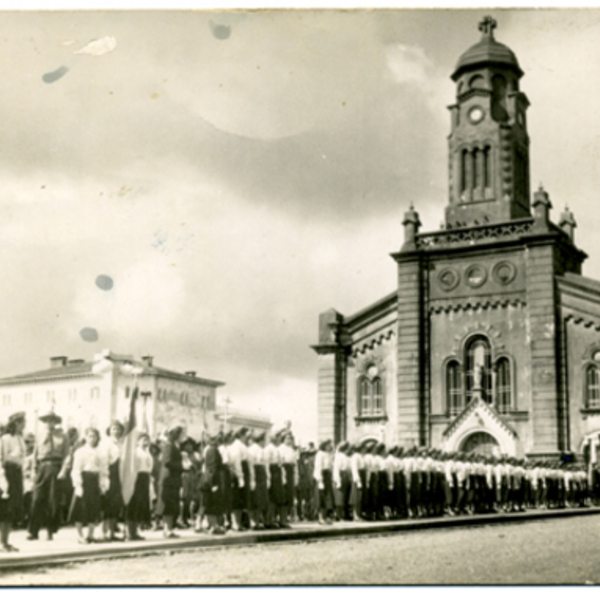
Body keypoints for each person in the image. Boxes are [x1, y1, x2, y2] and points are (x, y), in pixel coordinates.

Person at [28, 410, 69, 541]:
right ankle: (33, 531)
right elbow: (35, 454)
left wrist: (64, 470)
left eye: (51, 420)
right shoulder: (39, 436)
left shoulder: (63, 436)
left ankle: (50, 531)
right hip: (42, 467)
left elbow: (67, 455)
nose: (49, 423)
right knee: (36, 499)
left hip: (55, 468)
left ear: (56, 422)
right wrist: (33, 470)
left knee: (53, 501)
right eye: (46, 420)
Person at [71, 428, 109, 544]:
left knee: (94, 508)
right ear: (86, 437)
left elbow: (104, 470)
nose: (92, 439)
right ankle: (79, 535)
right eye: (90, 436)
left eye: (94, 436)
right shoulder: (80, 451)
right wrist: (78, 484)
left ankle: (90, 534)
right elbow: (76, 469)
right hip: (84, 479)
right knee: (80, 508)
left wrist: (103, 485)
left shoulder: (101, 452)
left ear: (98, 438)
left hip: (94, 480)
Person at [0, 412, 26, 551]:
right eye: (22, 423)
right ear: (16, 423)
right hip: (7, 475)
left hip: (17, 474)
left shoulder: (20, 439)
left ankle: (5, 541)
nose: (24, 425)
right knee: (4, 509)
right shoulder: (5, 438)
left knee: (11, 510)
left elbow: (23, 456)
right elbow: (3, 458)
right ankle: (2, 543)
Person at [156, 425, 184, 538]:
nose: (181, 436)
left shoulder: (173, 445)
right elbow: (167, 462)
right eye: (179, 434)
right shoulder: (169, 445)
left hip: (172, 478)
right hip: (168, 478)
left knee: (172, 504)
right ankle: (167, 529)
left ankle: (168, 528)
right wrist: (182, 467)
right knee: (168, 504)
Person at [125, 433, 153, 541]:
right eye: (143, 440)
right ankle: (130, 532)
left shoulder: (147, 453)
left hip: (145, 478)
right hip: (137, 478)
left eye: (147, 440)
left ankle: (135, 531)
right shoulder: (135, 453)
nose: (146, 442)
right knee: (134, 504)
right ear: (137, 441)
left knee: (141, 505)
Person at [102, 420, 125, 541]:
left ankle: (112, 531)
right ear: (109, 431)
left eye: (118, 429)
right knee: (107, 503)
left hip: (119, 474)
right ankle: (105, 532)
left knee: (116, 504)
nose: (116, 431)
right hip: (109, 473)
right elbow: (104, 460)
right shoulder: (106, 444)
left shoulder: (122, 444)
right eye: (113, 429)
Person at [201, 433, 226, 535]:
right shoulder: (213, 450)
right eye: (216, 439)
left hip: (211, 479)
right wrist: (213, 484)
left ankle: (214, 526)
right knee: (212, 504)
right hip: (212, 480)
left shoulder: (211, 450)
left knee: (212, 504)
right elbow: (212, 468)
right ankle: (213, 526)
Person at [314, 439, 334, 525]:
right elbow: (318, 467)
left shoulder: (330, 454)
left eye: (330, 444)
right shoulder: (320, 454)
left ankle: (327, 517)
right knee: (321, 496)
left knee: (328, 497)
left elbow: (331, 467)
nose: (330, 446)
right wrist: (320, 480)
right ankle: (321, 517)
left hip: (328, 476)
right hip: (322, 476)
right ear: (324, 445)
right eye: (328, 445)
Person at [279, 432, 298, 527]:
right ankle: (281, 519)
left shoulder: (292, 450)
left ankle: (285, 518)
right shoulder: (280, 448)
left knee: (289, 497)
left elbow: (295, 464)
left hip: (290, 472)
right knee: (283, 496)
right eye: (287, 438)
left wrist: (295, 477)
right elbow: (281, 463)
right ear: (283, 439)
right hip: (284, 472)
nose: (289, 440)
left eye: (290, 438)